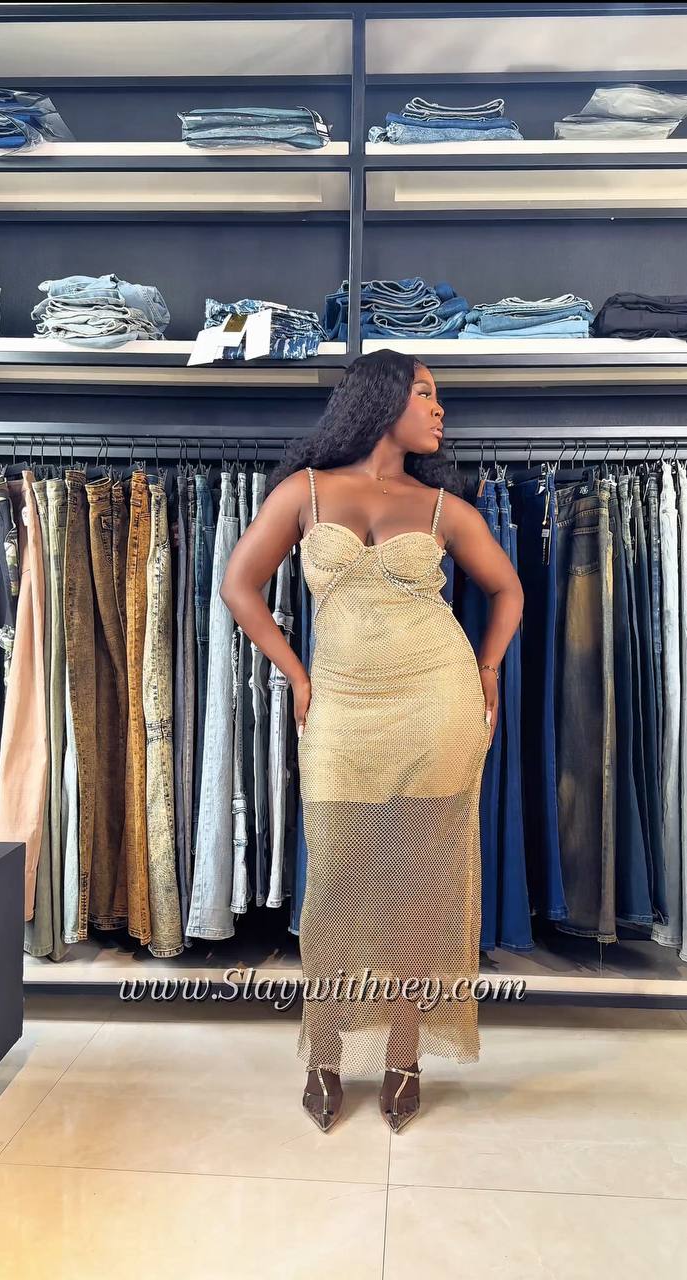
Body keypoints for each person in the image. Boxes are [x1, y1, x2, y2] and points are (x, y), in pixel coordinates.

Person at [220, 349, 523, 1133]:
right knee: (337, 878)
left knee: (421, 885)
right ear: (382, 399)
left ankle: (402, 1055)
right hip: (342, 709)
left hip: (437, 702)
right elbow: (238, 586)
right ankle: (323, 1052)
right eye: (425, 393)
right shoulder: (305, 491)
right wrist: (294, 673)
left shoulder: (441, 508)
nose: (439, 409)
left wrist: (487, 668)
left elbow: (507, 589)